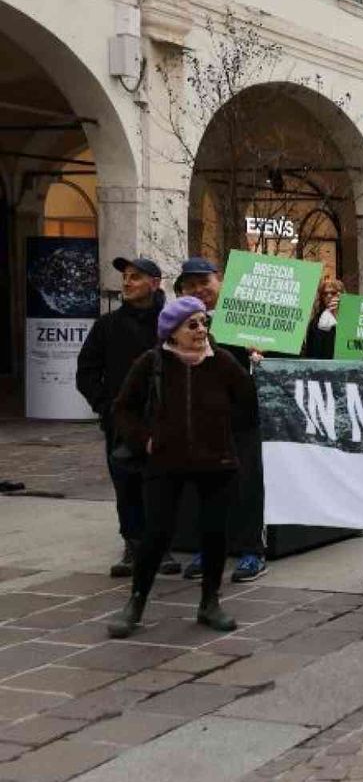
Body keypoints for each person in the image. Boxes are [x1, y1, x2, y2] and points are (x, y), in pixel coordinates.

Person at [105, 297, 257, 638]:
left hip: (216, 463)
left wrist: (253, 367)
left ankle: (210, 602)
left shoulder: (223, 362)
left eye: (204, 323)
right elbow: (123, 408)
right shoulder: (152, 362)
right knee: (156, 534)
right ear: (172, 332)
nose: (201, 330)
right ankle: (136, 601)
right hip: (165, 463)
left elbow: (248, 403)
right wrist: (144, 440)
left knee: (215, 533)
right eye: (193, 325)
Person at [76, 256, 180, 578]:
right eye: (125, 278)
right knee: (126, 484)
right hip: (122, 422)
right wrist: (106, 407)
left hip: (164, 421)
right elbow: (86, 372)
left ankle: (161, 547)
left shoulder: (171, 323)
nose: (127, 283)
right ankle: (133, 545)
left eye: (136, 277)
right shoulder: (107, 326)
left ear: (154, 282)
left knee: (161, 485)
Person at [175, 258, 268, 583]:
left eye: (205, 282)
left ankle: (252, 551)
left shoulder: (249, 316)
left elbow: (285, 357)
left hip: (243, 418)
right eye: (191, 284)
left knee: (247, 485)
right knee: (208, 488)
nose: (199, 289)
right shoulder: (181, 323)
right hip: (202, 420)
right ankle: (211, 548)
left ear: (221, 280)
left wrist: (262, 354)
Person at [302, 278, 345, 360]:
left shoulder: (350, 318)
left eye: (333, 293)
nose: (329, 296)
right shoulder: (316, 321)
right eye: (325, 294)